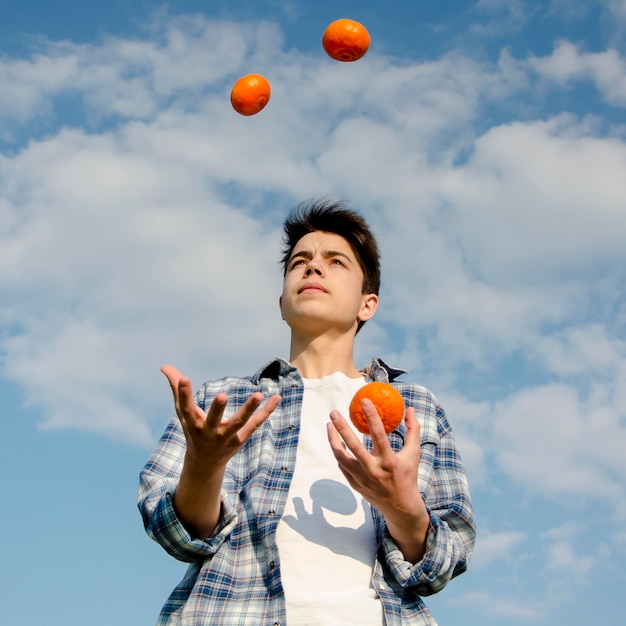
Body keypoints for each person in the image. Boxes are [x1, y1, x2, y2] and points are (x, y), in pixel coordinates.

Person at [138, 198, 475, 626]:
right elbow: (177, 536)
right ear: (281, 303)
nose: (313, 268)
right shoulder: (224, 401)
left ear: (367, 304)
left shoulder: (416, 409)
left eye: (336, 262)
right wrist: (204, 467)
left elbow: (442, 563)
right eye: (300, 261)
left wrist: (403, 505)